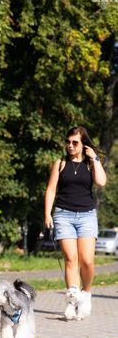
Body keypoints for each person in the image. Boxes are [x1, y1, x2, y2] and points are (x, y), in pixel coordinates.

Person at [44, 126, 106, 320]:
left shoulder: (90, 163)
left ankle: (86, 294)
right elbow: (51, 189)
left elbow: (101, 182)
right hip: (63, 215)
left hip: (87, 215)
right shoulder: (60, 163)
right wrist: (47, 214)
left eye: (75, 142)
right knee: (71, 258)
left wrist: (95, 158)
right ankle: (72, 302)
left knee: (87, 260)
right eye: (68, 142)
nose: (70, 145)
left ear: (83, 144)